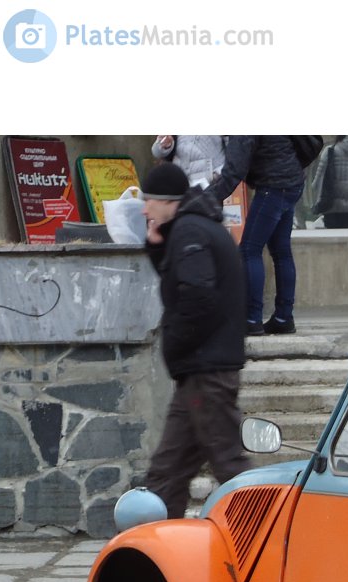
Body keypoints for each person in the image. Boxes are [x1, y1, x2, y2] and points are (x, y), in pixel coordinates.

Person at [139, 163, 250, 519]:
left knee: (229, 466)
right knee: (167, 471)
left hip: (207, 370)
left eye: (149, 200)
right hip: (200, 369)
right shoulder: (193, 229)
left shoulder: (190, 232)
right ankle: (152, 553)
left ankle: (267, 545)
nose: (144, 209)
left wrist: (175, 344)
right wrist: (157, 248)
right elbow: (185, 282)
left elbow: (198, 296)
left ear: (168, 201)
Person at [209, 136, 307, 336]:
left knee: (248, 250)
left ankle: (252, 319)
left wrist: (203, 198)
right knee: (281, 251)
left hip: (273, 187)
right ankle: (283, 318)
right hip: (292, 181)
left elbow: (233, 173)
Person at [150, 135, 225, 190]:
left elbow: (233, 147)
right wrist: (165, 145)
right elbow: (156, 152)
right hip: (180, 181)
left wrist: (220, 173)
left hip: (211, 180)